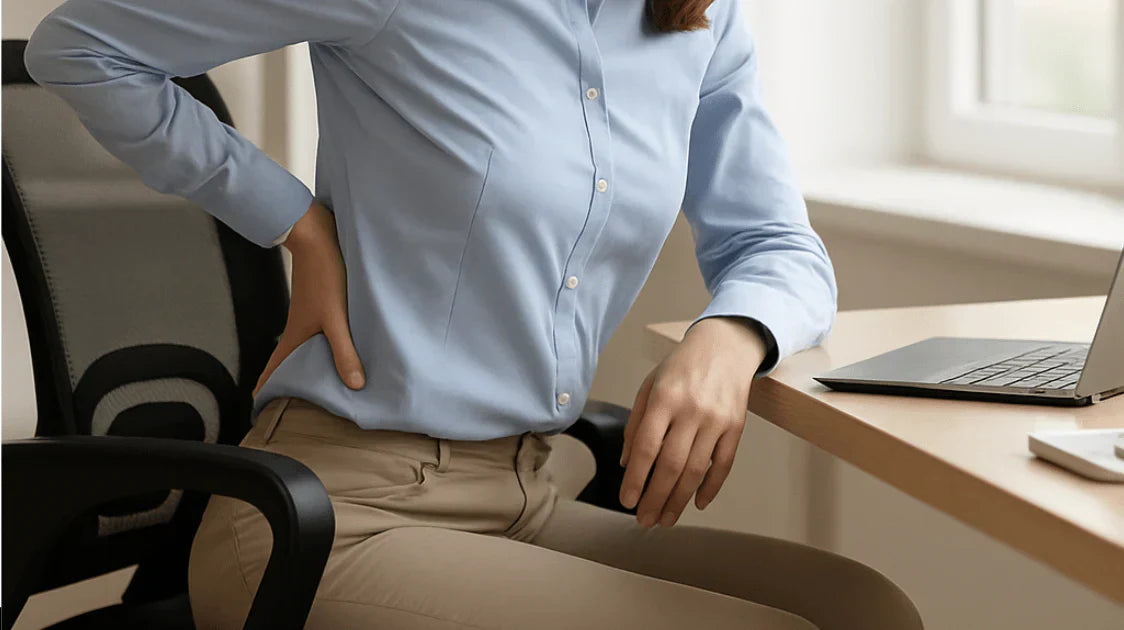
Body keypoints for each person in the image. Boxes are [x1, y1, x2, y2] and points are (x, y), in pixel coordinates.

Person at [24, 0, 923, 627]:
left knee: (866, 611)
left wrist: (729, 337)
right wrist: (295, 221)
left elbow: (778, 244)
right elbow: (80, 47)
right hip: (330, 515)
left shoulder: (696, 20)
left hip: (520, 496)